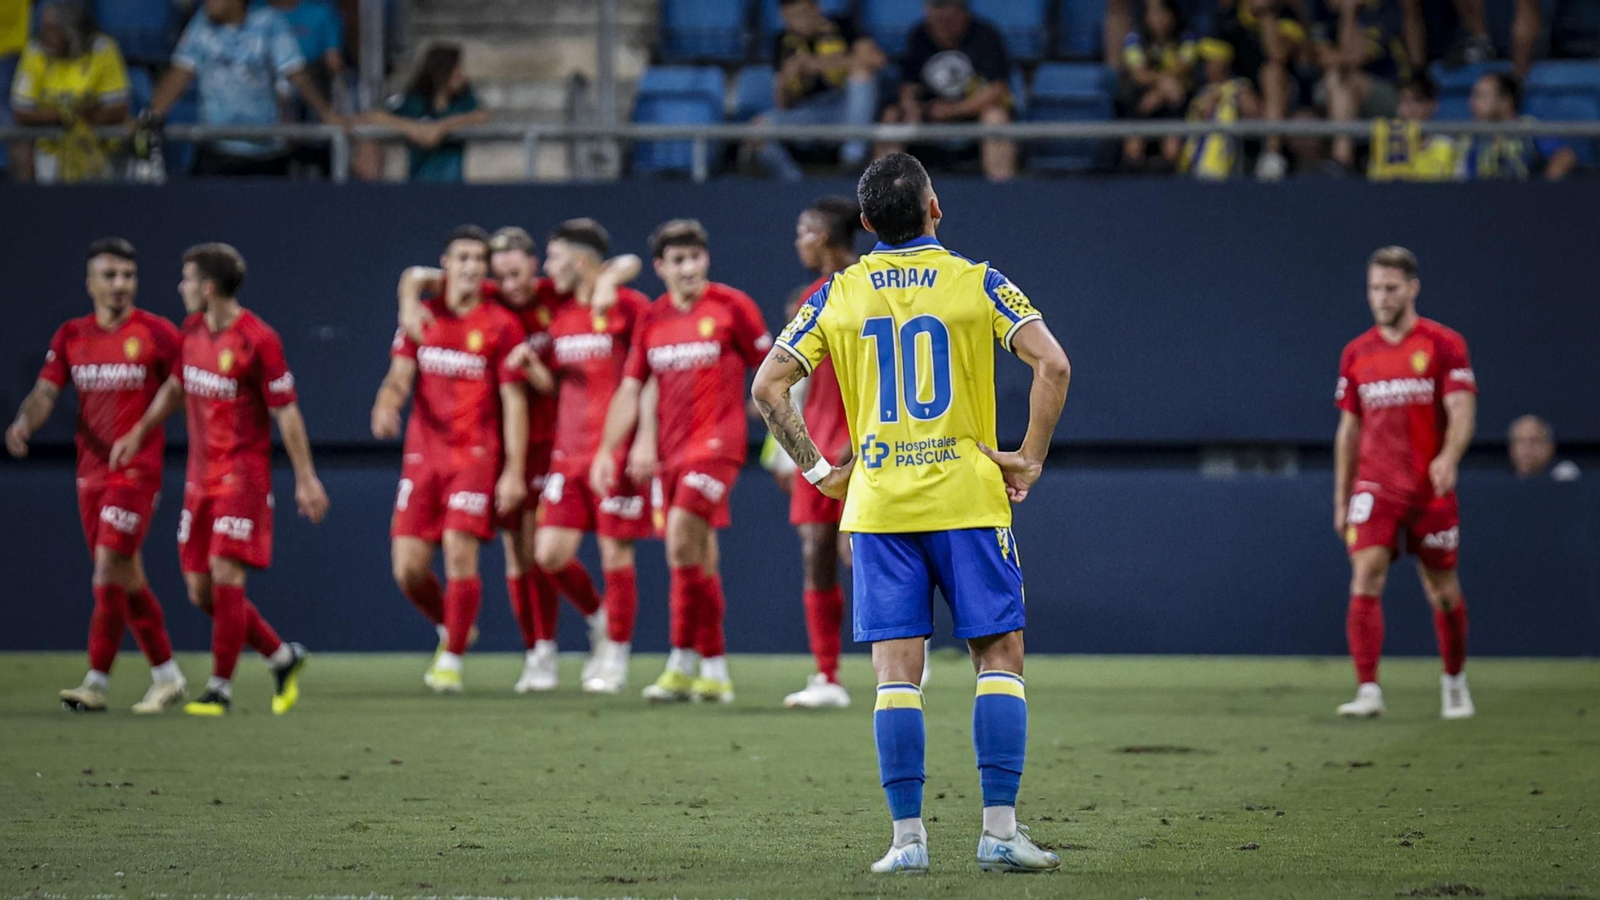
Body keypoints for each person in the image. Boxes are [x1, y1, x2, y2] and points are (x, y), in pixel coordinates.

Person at [752, 152, 1071, 874]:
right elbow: (1053, 364)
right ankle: (999, 832)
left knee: (896, 674)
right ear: (936, 208)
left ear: (866, 223)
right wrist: (1028, 456)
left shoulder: (836, 293)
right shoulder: (979, 281)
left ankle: (906, 843)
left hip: (880, 506)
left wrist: (820, 471)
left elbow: (768, 386)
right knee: (999, 659)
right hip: (968, 499)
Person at [397, 228, 640, 692]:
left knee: (551, 550)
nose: (510, 284)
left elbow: (623, 262)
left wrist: (612, 276)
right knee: (522, 554)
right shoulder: (489, 296)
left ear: (534, 266)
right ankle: (540, 652)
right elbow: (421, 276)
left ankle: (597, 625)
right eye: (501, 275)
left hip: (560, 438)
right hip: (515, 444)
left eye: (518, 273)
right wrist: (408, 295)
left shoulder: (556, 293)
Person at [109, 243, 328, 716]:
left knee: (226, 573)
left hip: (243, 476)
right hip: (199, 478)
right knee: (201, 590)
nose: (181, 287)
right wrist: (138, 432)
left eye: (187, 279)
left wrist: (306, 478)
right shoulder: (191, 330)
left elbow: (286, 411)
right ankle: (281, 657)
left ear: (207, 287)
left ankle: (219, 689)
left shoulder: (258, 339)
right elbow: (176, 386)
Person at [590, 220, 772, 705]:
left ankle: (678, 662)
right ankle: (712, 668)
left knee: (678, 539)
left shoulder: (732, 305)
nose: (689, 267)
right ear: (661, 267)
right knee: (696, 557)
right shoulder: (653, 318)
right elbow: (631, 387)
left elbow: (773, 364)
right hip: (671, 453)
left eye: (696, 257)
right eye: (678, 260)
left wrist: (775, 414)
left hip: (718, 448)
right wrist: (609, 449)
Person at [6, 238, 187, 714]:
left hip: (137, 472)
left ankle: (96, 682)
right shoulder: (71, 335)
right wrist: (25, 422)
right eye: (110, 275)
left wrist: (150, 430)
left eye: (128, 275)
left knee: (107, 568)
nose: (120, 284)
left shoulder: (157, 333)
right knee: (125, 577)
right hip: (90, 474)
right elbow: (46, 392)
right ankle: (167, 675)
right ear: (90, 283)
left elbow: (186, 384)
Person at [372, 226, 528, 695]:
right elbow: (399, 376)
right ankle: (453, 625)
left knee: (461, 550)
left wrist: (514, 470)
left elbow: (514, 402)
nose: (472, 267)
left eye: (479, 259)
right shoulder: (424, 316)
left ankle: (452, 659)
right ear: (446, 263)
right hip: (423, 456)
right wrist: (387, 405)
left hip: (475, 456)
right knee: (407, 569)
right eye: (462, 257)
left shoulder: (501, 323)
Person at [1333, 246, 1476, 721]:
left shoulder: (1443, 344)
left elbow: (1461, 409)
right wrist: (1342, 495)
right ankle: (1368, 689)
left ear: (1413, 288)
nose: (1381, 297)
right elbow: (1349, 430)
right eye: (1374, 288)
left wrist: (1449, 456)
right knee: (1366, 576)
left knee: (1443, 592)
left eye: (1390, 288)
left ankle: (1454, 681)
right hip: (1376, 485)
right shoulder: (1356, 352)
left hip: (1429, 488)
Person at [517, 220, 655, 695]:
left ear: (578, 261)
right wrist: (532, 369)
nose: (546, 267)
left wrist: (644, 439)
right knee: (548, 554)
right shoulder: (558, 312)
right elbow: (561, 384)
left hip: (616, 450)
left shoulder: (630, 307)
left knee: (616, 552)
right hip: (567, 454)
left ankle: (616, 656)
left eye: (554, 257)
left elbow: (647, 378)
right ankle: (599, 617)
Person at [774, 198, 861, 710]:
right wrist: (786, 454)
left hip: (869, 442)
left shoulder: (866, 288)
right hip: (817, 447)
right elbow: (790, 385)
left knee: (867, 553)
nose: (798, 242)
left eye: (804, 231)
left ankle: (907, 653)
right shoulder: (811, 296)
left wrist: (862, 437)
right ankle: (828, 676)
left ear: (824, 235)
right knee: (817, 552)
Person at [145, 0, 341, 177]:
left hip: (266, 153)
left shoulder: (269, 22)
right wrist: (151, 116)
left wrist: (326, 113)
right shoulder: (201, 24)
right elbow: (179, 74)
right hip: (216, 151)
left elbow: (296, 73)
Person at [877, 0, 1015, 182]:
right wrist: (911, 107)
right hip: (929, 115)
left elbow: (997, 89)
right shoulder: (920, 35)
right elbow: (909, 85)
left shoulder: (985, 36)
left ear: (961, 10)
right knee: (892, 117)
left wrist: (954, 110)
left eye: (944, 8)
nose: (939, 16)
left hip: (971, 115)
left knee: (995, 117)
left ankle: (1000, 186)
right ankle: (882, 190)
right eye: (934, 8)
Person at [754, 0, 884, 181]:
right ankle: (793, 181)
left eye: (803, 13)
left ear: (817, 8)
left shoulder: (841, 25)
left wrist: (817, 64)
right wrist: (785, 80)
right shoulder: (783, 42)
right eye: (791, 18)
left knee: (861, 75)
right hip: (810, 113)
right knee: (758, 129)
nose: (799, 22)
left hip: (847, 109)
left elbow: (876, 60)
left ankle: (852, 159)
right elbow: (783, 105)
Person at [8, 0, 130, 183]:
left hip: (101, 149)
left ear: (71, 31)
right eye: (44, 27)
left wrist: (72, 119)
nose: (45, 35)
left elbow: (117, 109)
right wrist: (67, 114)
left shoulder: (102, 49)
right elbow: (22, 112)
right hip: (51, 150)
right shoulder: (36, 50)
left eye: (52, 29)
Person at [1197, 0, 1305, 179]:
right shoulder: (1228, 18)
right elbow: (1215, 73)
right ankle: (1212, 166)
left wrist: (1267, 17)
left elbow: (1278, 55)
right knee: (1220, 93)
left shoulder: (1285, 13)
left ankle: (1272, 153)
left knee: (1271, 73)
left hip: (1286, 95)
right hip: (1247, 97)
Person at [362, 43, 489, 183]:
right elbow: (376, 116)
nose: (461, 75)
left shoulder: (463, 101)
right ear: (443, 70)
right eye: (456, 69)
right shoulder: (415, 102)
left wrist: (441, 127)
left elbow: (481, 115)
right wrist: (414, 129)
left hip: (452, 186)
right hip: (420, 183)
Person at [1314, 0, 1410, 172]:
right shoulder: (1324, 14)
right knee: (1334, 79)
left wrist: (1349, 14)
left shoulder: (1381, 11)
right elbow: (1323, 58)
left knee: (1344, 79)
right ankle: (1339, 159)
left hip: (1392, 94)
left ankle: (1342, 159)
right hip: (1338, 91)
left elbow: (1355, 58)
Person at [1119, 0, 1196, 169]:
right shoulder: (1134, 39)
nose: (1158, 19)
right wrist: (1163, 85)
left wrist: (1159, 94)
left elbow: (1184, 68)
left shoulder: (1186, 39)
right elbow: (1140, 75)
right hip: (1142, 101)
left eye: (1162, 12)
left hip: (1174, 103)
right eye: (1152, 13)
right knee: (1133, 149)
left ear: (1172, 15)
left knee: (1172, 150)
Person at [1456, 72, 1577, 181]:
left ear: (1505, 101)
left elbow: (1564, 157)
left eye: (1481, 96)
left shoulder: (1528, 128)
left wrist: (1541, 189)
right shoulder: (1470, 135)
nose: (1471, 103)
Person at [1367, 77, 1456, 181]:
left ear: (1432, 104)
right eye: (1403, 101)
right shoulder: (1384, 143)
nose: (1408, 109)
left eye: (1416, 101)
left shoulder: (1447, 146)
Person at [1507, 415, 1581, 481]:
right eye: (1520, 441)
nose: (1526, 447)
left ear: (1549, 447)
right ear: (1511, 447)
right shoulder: (1505, 481)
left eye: (1534, 440)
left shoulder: (1564, 472)